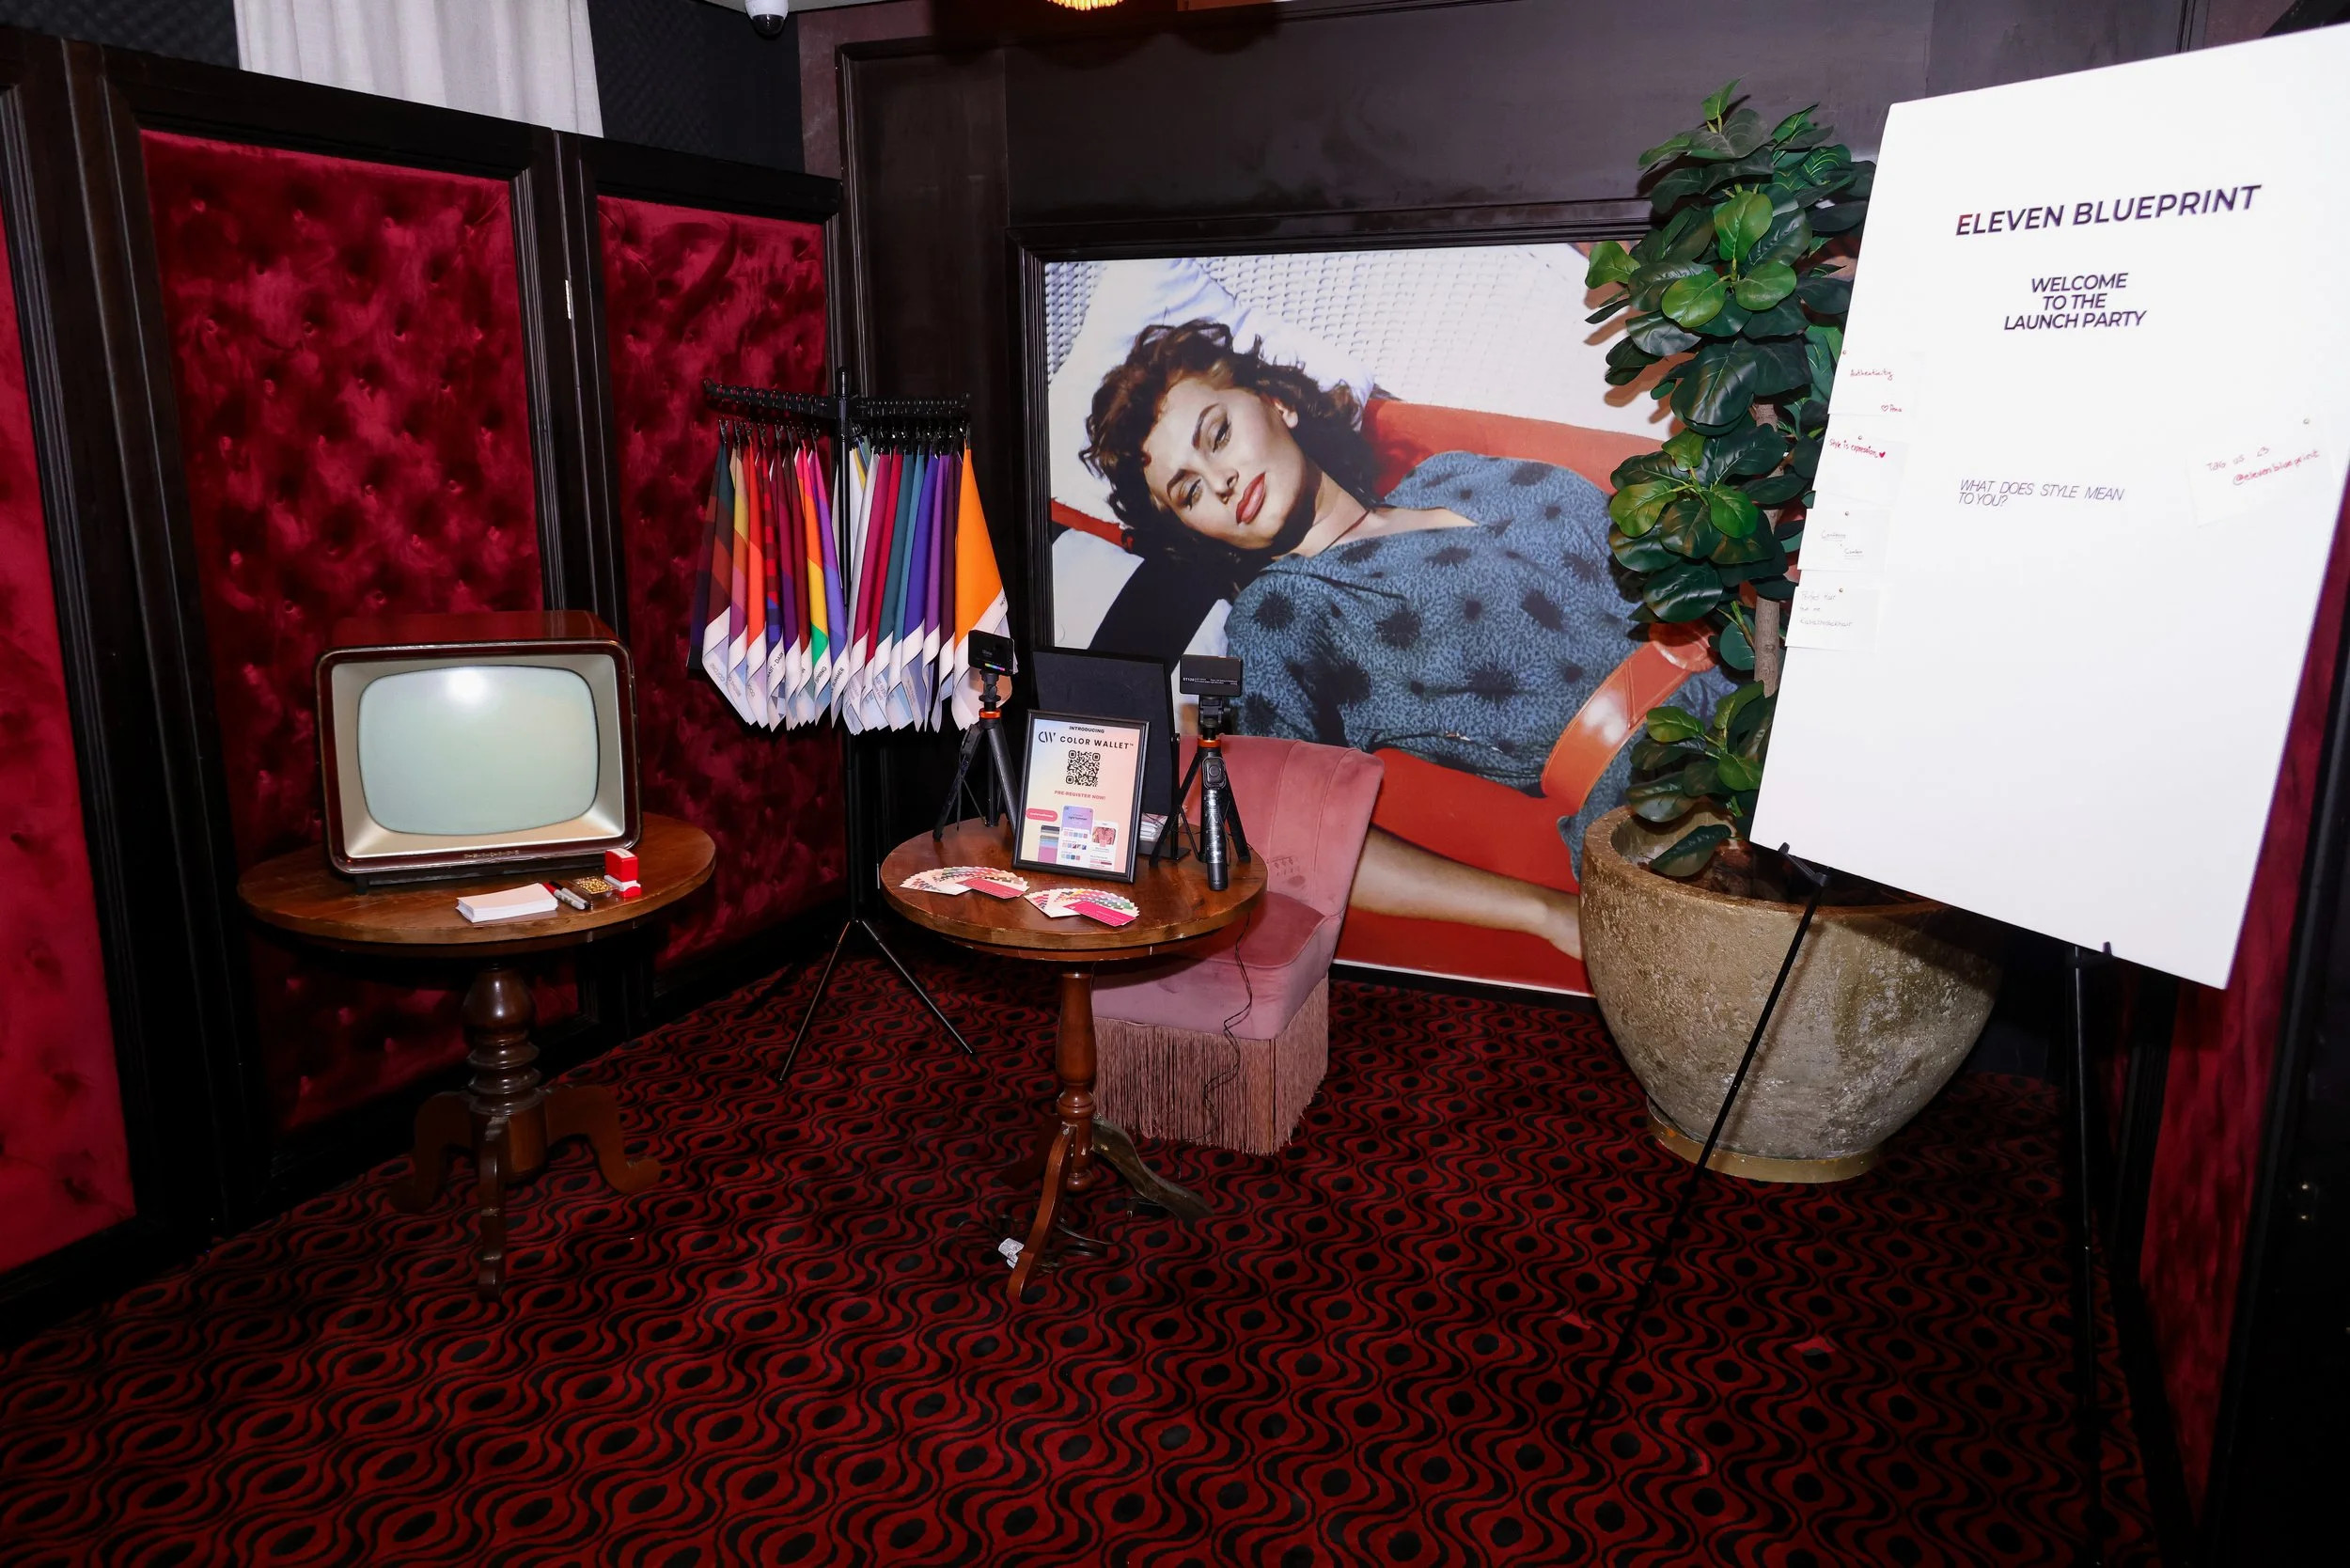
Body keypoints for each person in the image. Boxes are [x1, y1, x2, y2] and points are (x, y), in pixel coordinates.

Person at [1082, 320, 1730, 959]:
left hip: (1754, 691)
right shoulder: (1279, 614)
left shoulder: (1450, 473)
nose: (1219, 481)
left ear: (1276, 402)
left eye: (1217, 434)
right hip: (1663, 815)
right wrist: (1543, 912)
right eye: (1189, 490)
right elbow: (1291, 835)